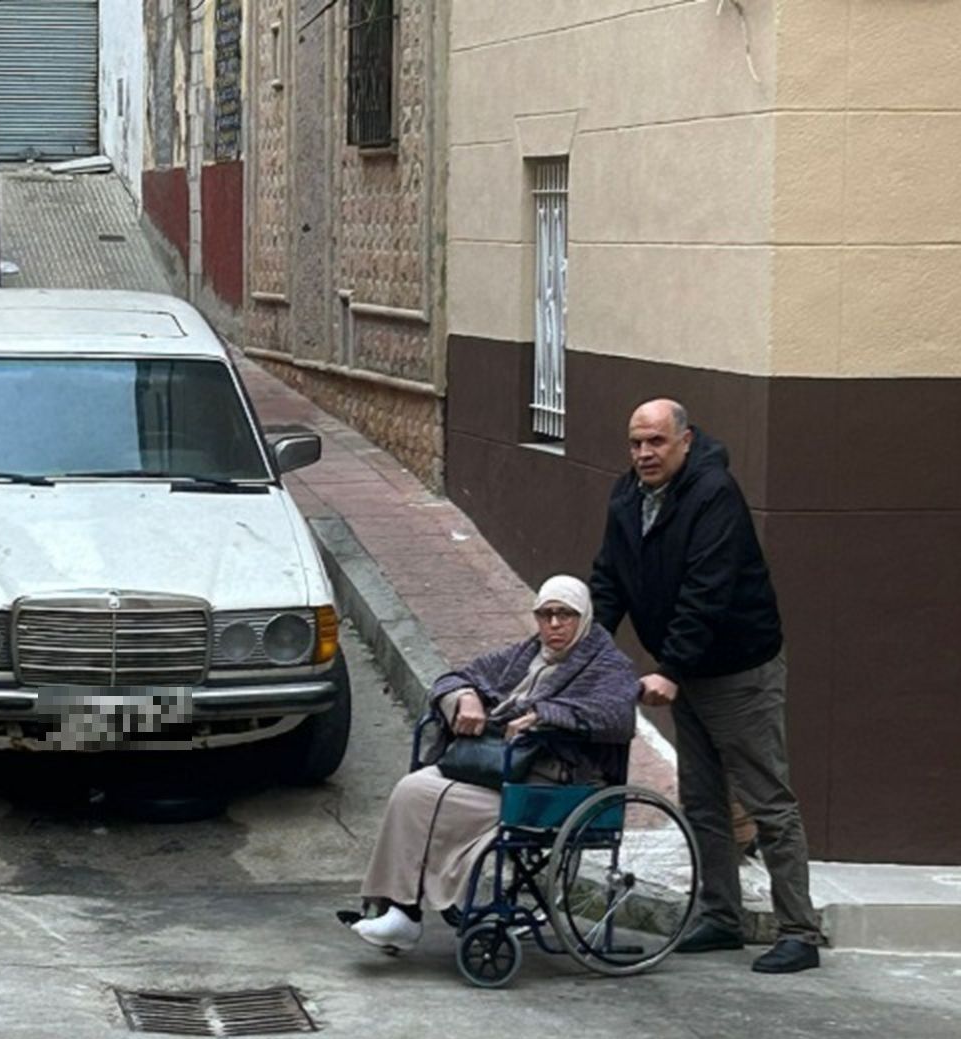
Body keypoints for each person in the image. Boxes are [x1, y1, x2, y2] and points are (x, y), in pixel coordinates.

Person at [588, 398, 822, 974]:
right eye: (636, 443)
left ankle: (799, 931)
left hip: (738, 669)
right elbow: (609, 577)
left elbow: (707, 590)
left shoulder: (714, 494)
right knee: (701, 800)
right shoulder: (628, 496)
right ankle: (722, 917)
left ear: (685, 441)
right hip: (687, 670)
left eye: (657, 442)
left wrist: (669, 667)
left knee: (768, 800)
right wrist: (585, 649)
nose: (644, 453)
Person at [347, 575, 638, 954]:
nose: (553, 625)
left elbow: (617, 716)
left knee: (444, 804)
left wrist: (543, 713)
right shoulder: (524, 655)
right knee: (412, 789)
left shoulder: (608, 665)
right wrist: (464, 696)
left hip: (556, 780)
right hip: (498, 766)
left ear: (583, 618)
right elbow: (452, 678)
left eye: (565, 615)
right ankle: (397, 910)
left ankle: (406, 914)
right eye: (546, 614)